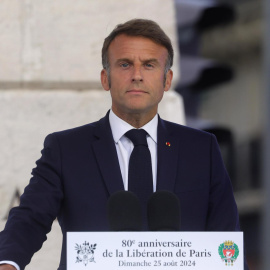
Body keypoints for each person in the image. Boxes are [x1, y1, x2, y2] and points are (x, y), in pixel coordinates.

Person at [0, 19, 248, 270]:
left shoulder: (201, 150)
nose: (137, 75)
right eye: (125, 64)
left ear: (167, 80)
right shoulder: (66, 149)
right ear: (105, 78)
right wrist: (7, 263)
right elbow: (29, 218)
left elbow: (226, 239)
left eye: (149, 65)